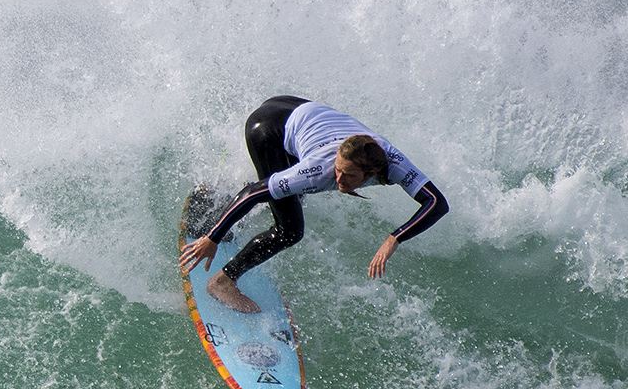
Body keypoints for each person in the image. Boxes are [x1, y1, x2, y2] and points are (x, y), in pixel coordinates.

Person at [178, 95, 448, 313]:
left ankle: (215, 194)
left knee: (290, 194)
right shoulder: (318, 171)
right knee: (290, 229)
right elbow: (252, 193)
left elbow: (436, 203)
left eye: (349, 176)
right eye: (338, 170)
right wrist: (213, 238)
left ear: (372, 174)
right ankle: (223, 281)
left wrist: (394, 239)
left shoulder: (392, 163)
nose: (339, 179)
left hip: (293, 108)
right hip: (267, 130)